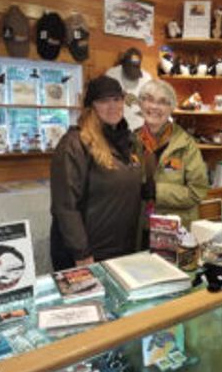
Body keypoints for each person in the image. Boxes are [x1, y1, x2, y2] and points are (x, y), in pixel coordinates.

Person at [50, 75, 142, 271]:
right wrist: (81, 253)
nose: (112, 106)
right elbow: (65, 206)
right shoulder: (74, 144)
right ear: (91, 106)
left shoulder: (129, 141)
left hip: (120, 249)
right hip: (87, 254)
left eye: (117, 99)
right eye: (103, 101)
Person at [137, 79, 209, 232]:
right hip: (138, 228)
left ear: (171, 108)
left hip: (174, 231)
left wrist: (156, 192)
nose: (155, 106)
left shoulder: (186, 145)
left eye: (163, 102)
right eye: (149, 99)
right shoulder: (130, 141)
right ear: (141, 104)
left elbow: (197, 191)